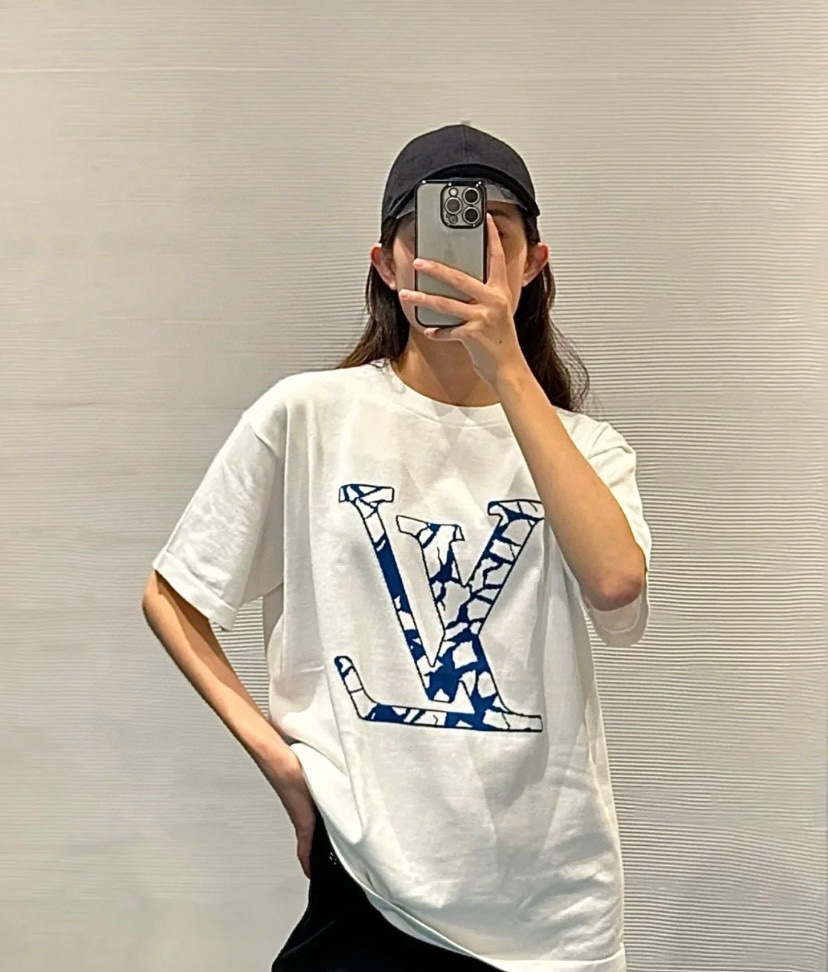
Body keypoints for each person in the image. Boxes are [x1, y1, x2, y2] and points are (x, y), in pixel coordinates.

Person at [142, 123, 652, 972]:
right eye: (437, 236)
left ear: (534, 264)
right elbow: (174, 593)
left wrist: (506, 366)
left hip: (551, 911)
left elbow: (614, 582)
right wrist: (280, 763)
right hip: (370, 883)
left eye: (494, 237)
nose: (464, 262)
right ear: (387, 264)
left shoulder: (588, 449)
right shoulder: (309, 417)